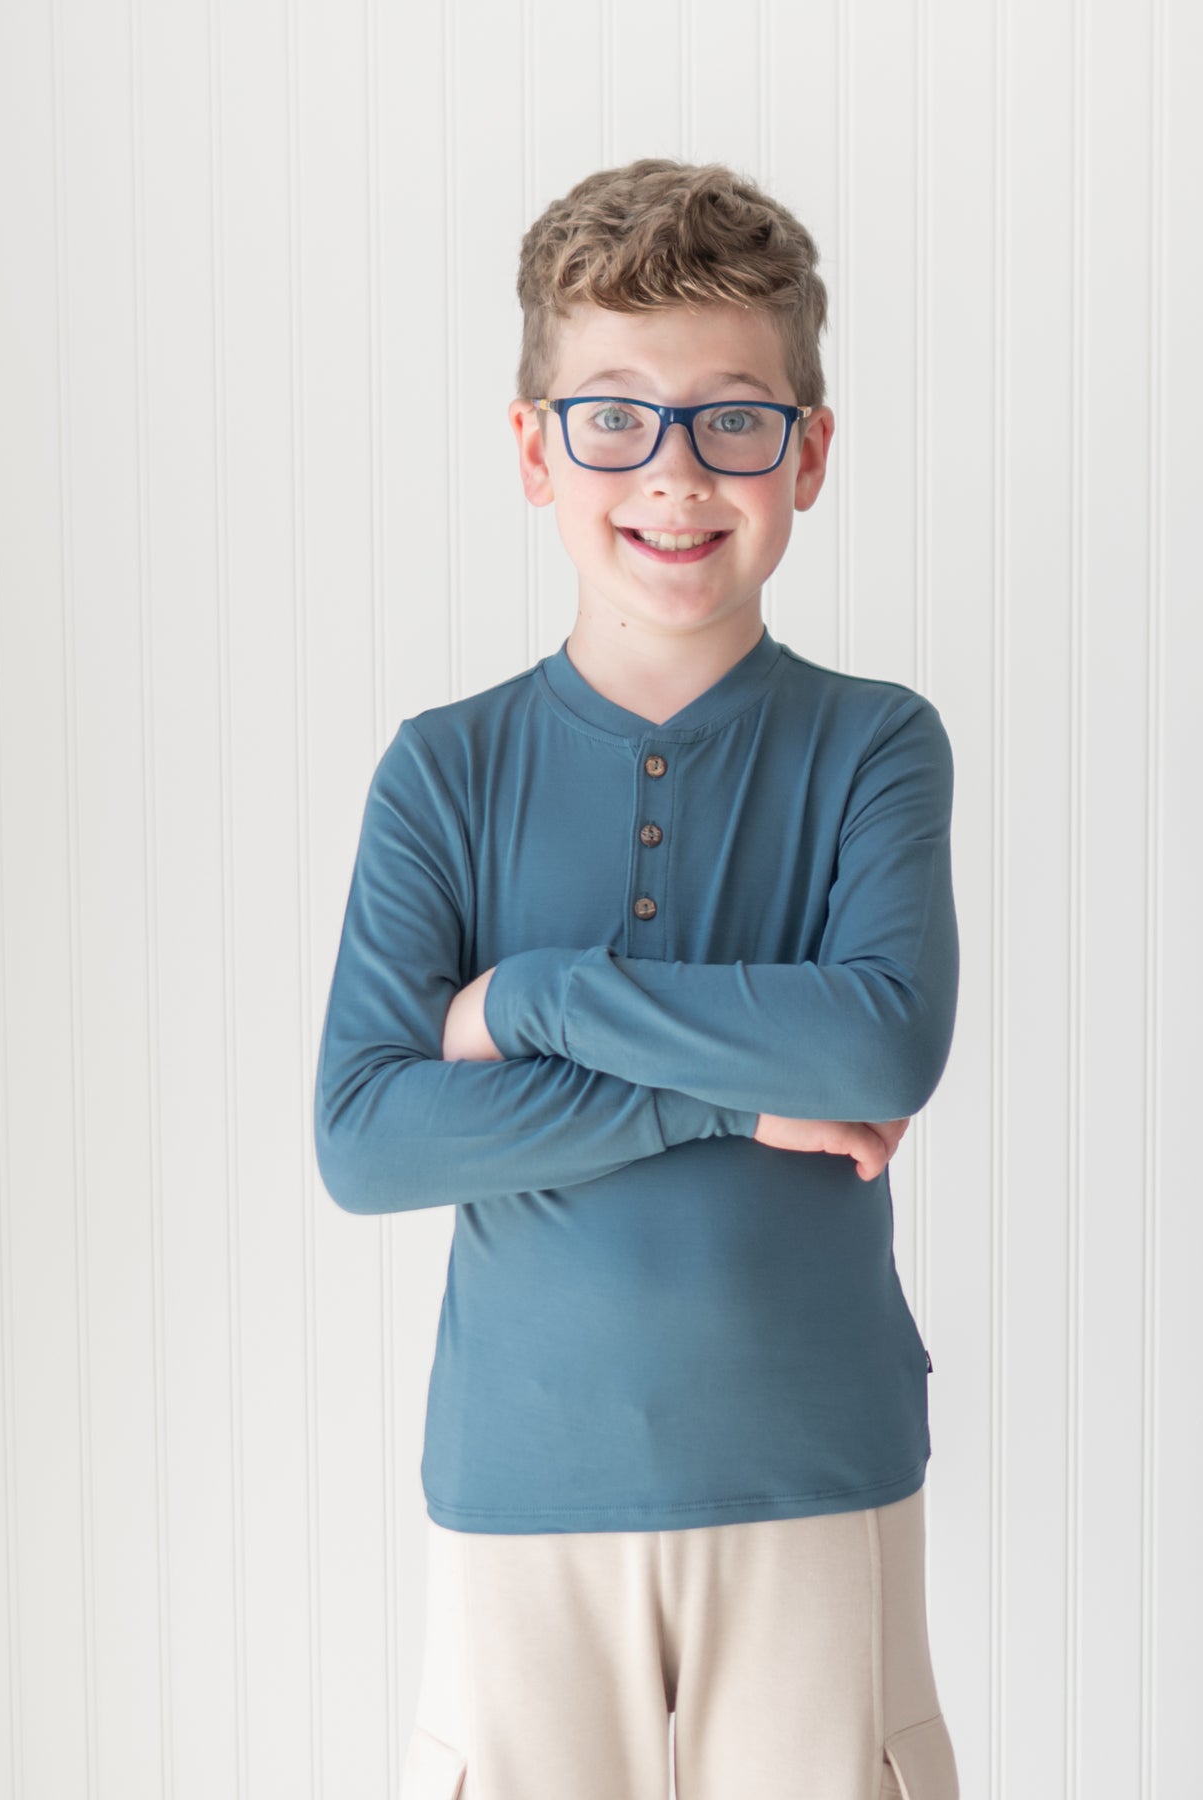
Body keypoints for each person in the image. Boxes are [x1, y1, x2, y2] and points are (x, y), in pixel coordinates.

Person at [313, 156, 961, 1800]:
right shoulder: (444, 771)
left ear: (808, 453)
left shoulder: (874, 744)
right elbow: (372, 1136)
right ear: (536, 449)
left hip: (815, 1469)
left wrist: (529, 1000)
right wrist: (738, 1088)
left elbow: (879, 1047)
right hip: (523, 1486)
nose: (674, 474)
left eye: (733, 419)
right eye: (616, 416)